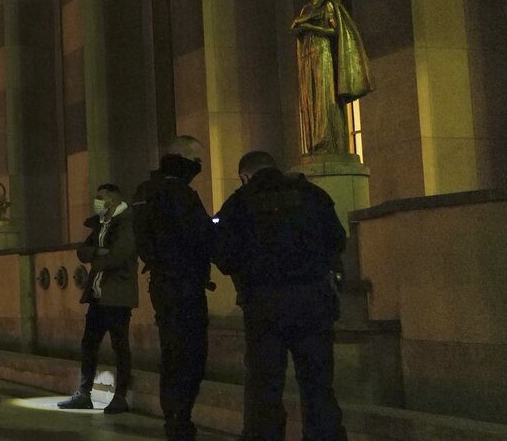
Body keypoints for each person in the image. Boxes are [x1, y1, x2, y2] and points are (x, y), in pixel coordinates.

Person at [214, 151, 348, 441]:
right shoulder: (312, 194)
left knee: (265, 384)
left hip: (264, 304)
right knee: (317, 382)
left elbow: (224, 257)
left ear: (245, 175)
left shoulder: (239, 202)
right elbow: (337, 240)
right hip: (313, 301)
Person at [132, 135, 214, 440]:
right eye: (196, 162)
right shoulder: (179, 193)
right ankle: (181, 418)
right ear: (183, 160)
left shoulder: (145, 192)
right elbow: (200, 235)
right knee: (190, 354)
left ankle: (173, 417)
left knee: (171, 352)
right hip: (184, 284)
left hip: (161, 283)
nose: (198, 169)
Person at [57, 184, 138, 414]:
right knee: (89, 345)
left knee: (119, 346)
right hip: (98, 296)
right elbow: (83, 250)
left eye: (100, 197)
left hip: (117, 296)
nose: (96, 201)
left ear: (113, 199)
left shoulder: (126, 222)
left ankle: (120, 396)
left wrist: (99, 255)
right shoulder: (102, 224)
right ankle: (84, 393)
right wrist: (97, 252)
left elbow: (120, 254)